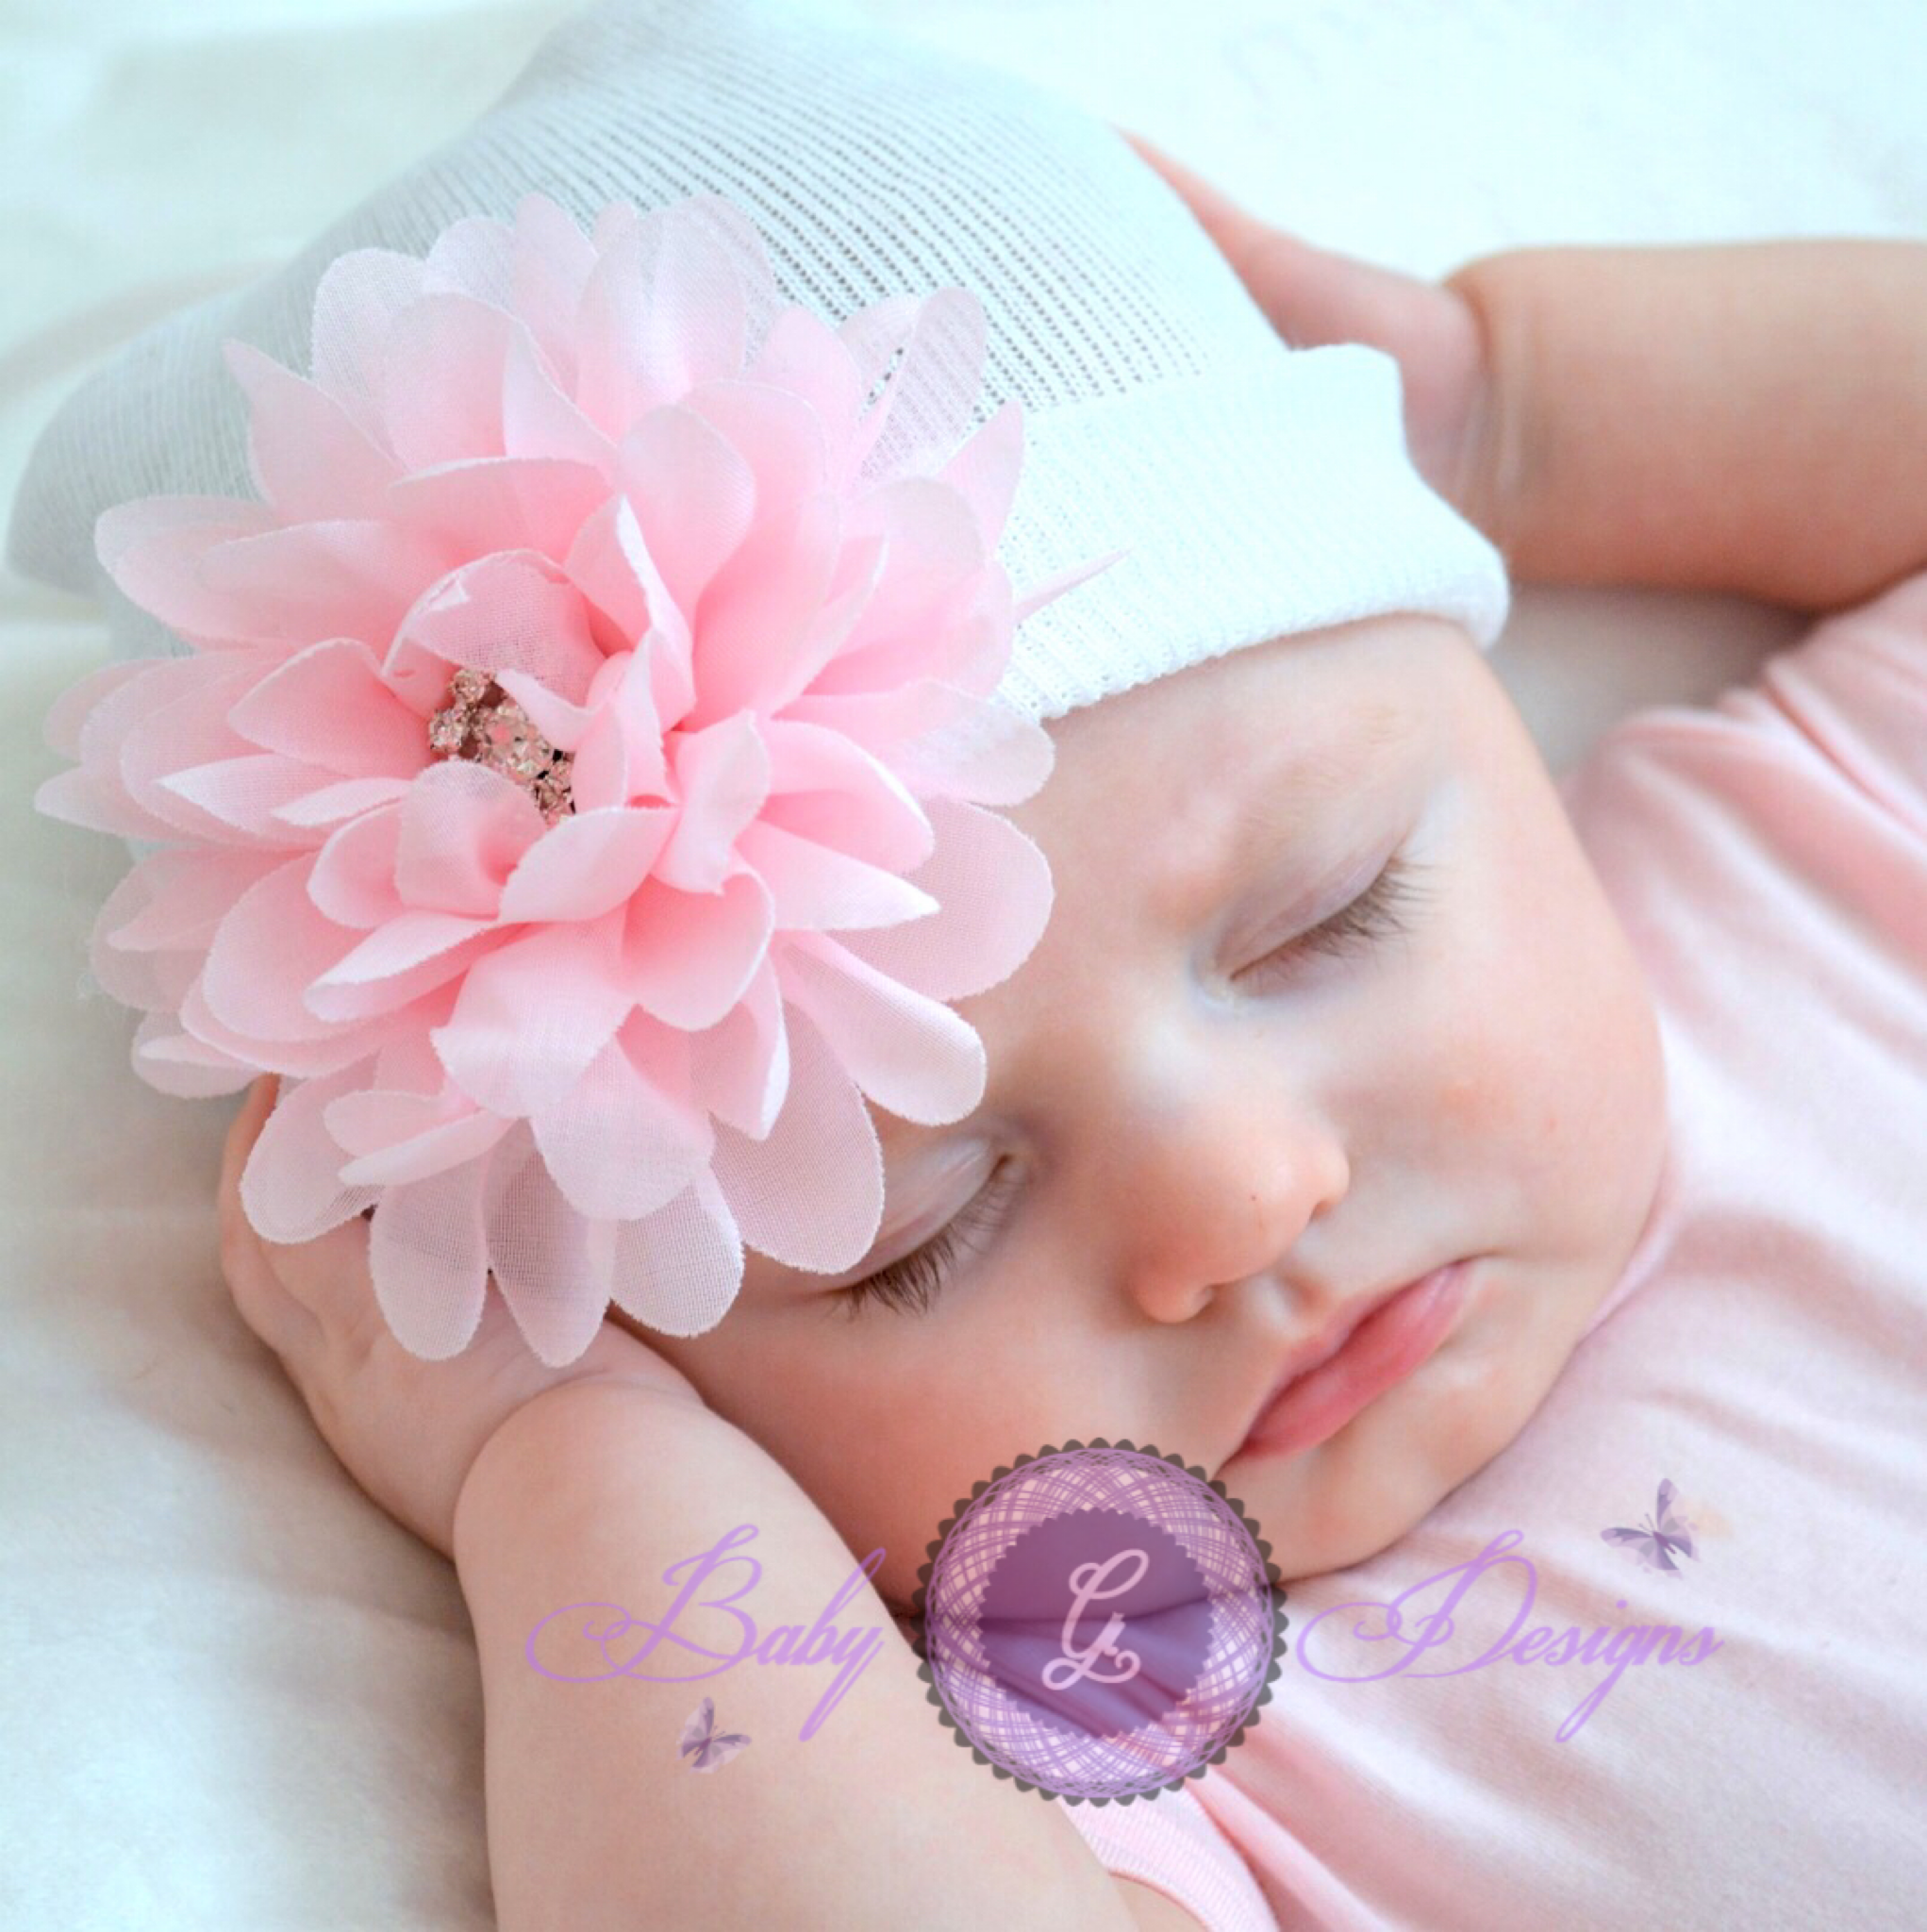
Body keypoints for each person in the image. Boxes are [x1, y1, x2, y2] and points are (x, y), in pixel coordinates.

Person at [19, 1, 1927, 1925]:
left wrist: (1504, 413)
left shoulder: (1825, 877)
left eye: (1324, 914)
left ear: (1487, 708)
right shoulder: (1079, 1742)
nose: (1244, 1203)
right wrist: (563, 1462)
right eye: (917, 1234)